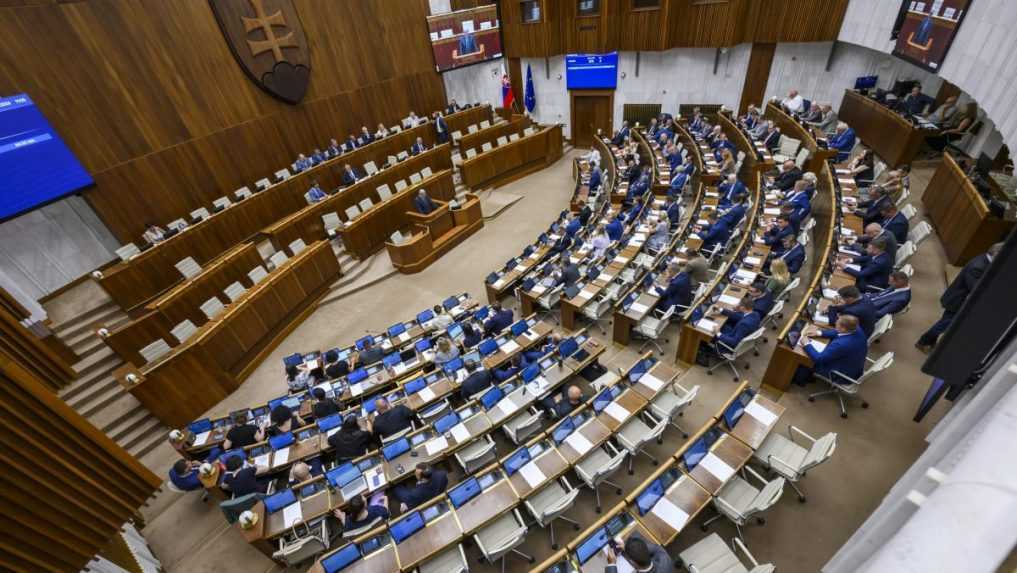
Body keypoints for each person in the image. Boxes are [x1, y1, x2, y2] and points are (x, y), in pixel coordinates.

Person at [916, 242, 1000, 352]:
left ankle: (930, 342)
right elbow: (975, 288)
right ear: (996, 253)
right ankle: (922, 342)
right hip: (957, 302)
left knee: (944, 322)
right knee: (944, 325)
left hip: (959, 300)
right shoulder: (978, 267)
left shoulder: (984, 260)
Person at [794, 315, 868, 386]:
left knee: (803, 357)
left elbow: (819, 359)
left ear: (843, 328)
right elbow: (837, 332)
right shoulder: (856, 328)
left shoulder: (841, 344)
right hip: (852, 368)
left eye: (837, 323)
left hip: (840, 374)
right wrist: (819, 333)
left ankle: (799, 379)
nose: (835, 323)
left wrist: (806, 344)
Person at [605, 531, 673, 572]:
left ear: (633, 563)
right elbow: (655, 548)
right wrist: (628, 548)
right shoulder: (665, 559)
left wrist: (611, 564)